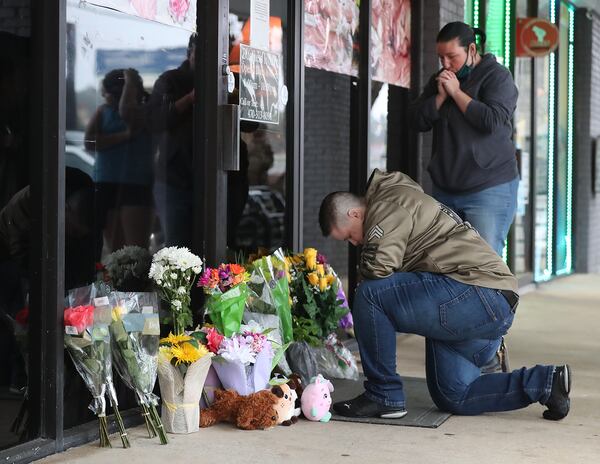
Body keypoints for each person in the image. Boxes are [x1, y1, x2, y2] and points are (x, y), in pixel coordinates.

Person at [318, 169, 571, 421]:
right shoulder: (397, 199)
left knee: (369, 294)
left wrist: (362, 274)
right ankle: (546, 383)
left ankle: (383, 394)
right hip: (489, 304)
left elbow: (379, 268)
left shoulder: (387, 205)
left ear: (355, 213)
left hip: (475, 292)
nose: (354, 243)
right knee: (453, 395)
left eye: (350, 235)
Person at [409, 22, 519, 256]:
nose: (446, 65)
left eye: (452, 57)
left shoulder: (498, 77)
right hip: (446, 188)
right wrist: (439, 97)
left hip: (489, 187)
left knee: (483, 263)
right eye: (441, 58)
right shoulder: (441, 80)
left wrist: (457, 93)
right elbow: (415, 121)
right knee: (446, 263)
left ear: (471, 50)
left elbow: (492, 120)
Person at [85, 68, 154, 254]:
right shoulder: (103, 111)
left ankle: (135, 281)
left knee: (136, 250)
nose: (107, 97)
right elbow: (90, 142)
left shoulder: (143, 112)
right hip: (106, 180)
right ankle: (118, 281)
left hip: (136, 183)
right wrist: (124, 136)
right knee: (115, 250)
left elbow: (127, 112)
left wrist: (130, 81)